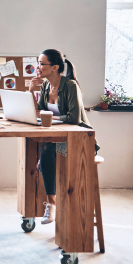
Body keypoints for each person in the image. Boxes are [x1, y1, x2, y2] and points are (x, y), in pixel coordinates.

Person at [29, 49, 99, 225]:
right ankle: (44, 167)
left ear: (54, 67)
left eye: (41, 63)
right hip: (57, 138)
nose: (38, 67)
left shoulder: (70, 86)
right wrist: (31, 91)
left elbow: (74, 118)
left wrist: (48, 116)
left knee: (45, 150)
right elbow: (37, 111)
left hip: (80, 141)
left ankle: (51, 203)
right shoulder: (45, 86)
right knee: (42, 148)